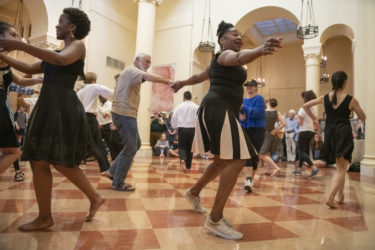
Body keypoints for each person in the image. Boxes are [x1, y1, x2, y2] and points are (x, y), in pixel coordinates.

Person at [170, 20, 282, 240]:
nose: (238, 37)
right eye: (233, 35)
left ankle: (193, 193)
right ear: (221, 40)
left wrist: (181, 83)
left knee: (222, 161)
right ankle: (214, 219)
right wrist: (260, 49)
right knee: (238, 159)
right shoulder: (224, 56)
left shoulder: (217, 63)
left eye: (240, 35)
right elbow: (239, 57)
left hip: (218, 109)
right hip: (217, 108)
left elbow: (197, 78)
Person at [0, 8, 105, 230]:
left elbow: (58, 60)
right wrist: (3, 56)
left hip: (62, 106)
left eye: (61, 22)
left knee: (59, 159)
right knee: (39, 160)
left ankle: (93, 197)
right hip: (49, 105)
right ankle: (45, 216)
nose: (57, 26)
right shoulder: (60, 48)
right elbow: (29, 67)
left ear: (72, 27)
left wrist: (18, 45)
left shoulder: (77, 46)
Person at [107, 52, 172, 191]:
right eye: (147, 62)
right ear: (137, 60)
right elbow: (148, 76)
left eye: (149, 62)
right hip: (124, 114)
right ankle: (118, 182)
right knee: (130, 147)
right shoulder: (132, 71)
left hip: (125, 114)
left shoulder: (131, 72)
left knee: (136, 144)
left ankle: (112, 171)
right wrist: (169, 81)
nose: (148, 65)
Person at [303, 71, 366, 208]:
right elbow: (363, 117)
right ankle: (331, 197)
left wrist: (314, 119)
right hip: (343, 132)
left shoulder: (325, 97)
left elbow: (305, 106)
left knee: (339, 166)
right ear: (345, 82)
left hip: (330, 132)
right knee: (342, 168)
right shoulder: (351, 99)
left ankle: (340, 196)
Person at [0, 22, 41, 175]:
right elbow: (28, 68)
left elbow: (20, 81)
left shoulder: (5, 60)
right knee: (13, 151)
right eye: (13, 35)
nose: (17, 38)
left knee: (12, 151)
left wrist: (37, 81)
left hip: (2, 103)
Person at [77, 72, 113, 174]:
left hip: (81, 118)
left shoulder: (80, 91)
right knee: (97, 143)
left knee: (84, 142)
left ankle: (78, 163)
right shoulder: (93, 87)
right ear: (94, 80)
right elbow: (109, 93)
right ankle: (105, 168)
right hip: (89, 118)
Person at [239, 79, 265, 192]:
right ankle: (248, 179)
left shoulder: (259, 99)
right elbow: (241, 116)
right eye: (247, 86)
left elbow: (257, 113)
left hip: (258, 130)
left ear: (256, 88)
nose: (249, 87)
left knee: (254, 155)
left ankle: (250, 181)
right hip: (246, 129)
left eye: (251, 85)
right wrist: (240, 116)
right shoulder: (243, 100)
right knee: (248, 153)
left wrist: (243, 109)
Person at [294, 90, 321, 178]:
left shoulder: (302, 109)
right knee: (303, 151)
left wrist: (297, 117)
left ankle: (314, 168)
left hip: (304, 131)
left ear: (305, 98)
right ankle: (298, 170)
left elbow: (300, 123)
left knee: (301, 151)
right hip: (311, 131)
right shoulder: (313, 109)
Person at [171, 91, 199, 171]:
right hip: (192, 129)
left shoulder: (179, 106)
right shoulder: (196, 107)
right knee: (190, 148)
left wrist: (175, 127)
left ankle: (182, 159)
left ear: (183, 97)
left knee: (182, 146)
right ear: (191, 97)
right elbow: (199, 118)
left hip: (182, 129)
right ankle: (188, 167)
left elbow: (174, 118)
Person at [258, 98, 285, 177]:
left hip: (265, 133)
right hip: (272, 133)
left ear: (268, 102)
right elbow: (284, 123)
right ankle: (269, 169)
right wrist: (276, 130)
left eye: (267, 101)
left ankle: (276, 168)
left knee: (261, 154)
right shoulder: (277, 112)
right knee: (267, 152)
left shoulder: (263, 111)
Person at [97, 95, 123, 161]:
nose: (100, 99)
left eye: (101, 97)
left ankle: (115, 157)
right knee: (98, 142)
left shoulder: (109, 104)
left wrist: (97, 107)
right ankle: (101, 157)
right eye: (99, 97)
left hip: (108, 125)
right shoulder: (101, 105)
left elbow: (105, 115)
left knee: (110, 143)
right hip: (101, 126)